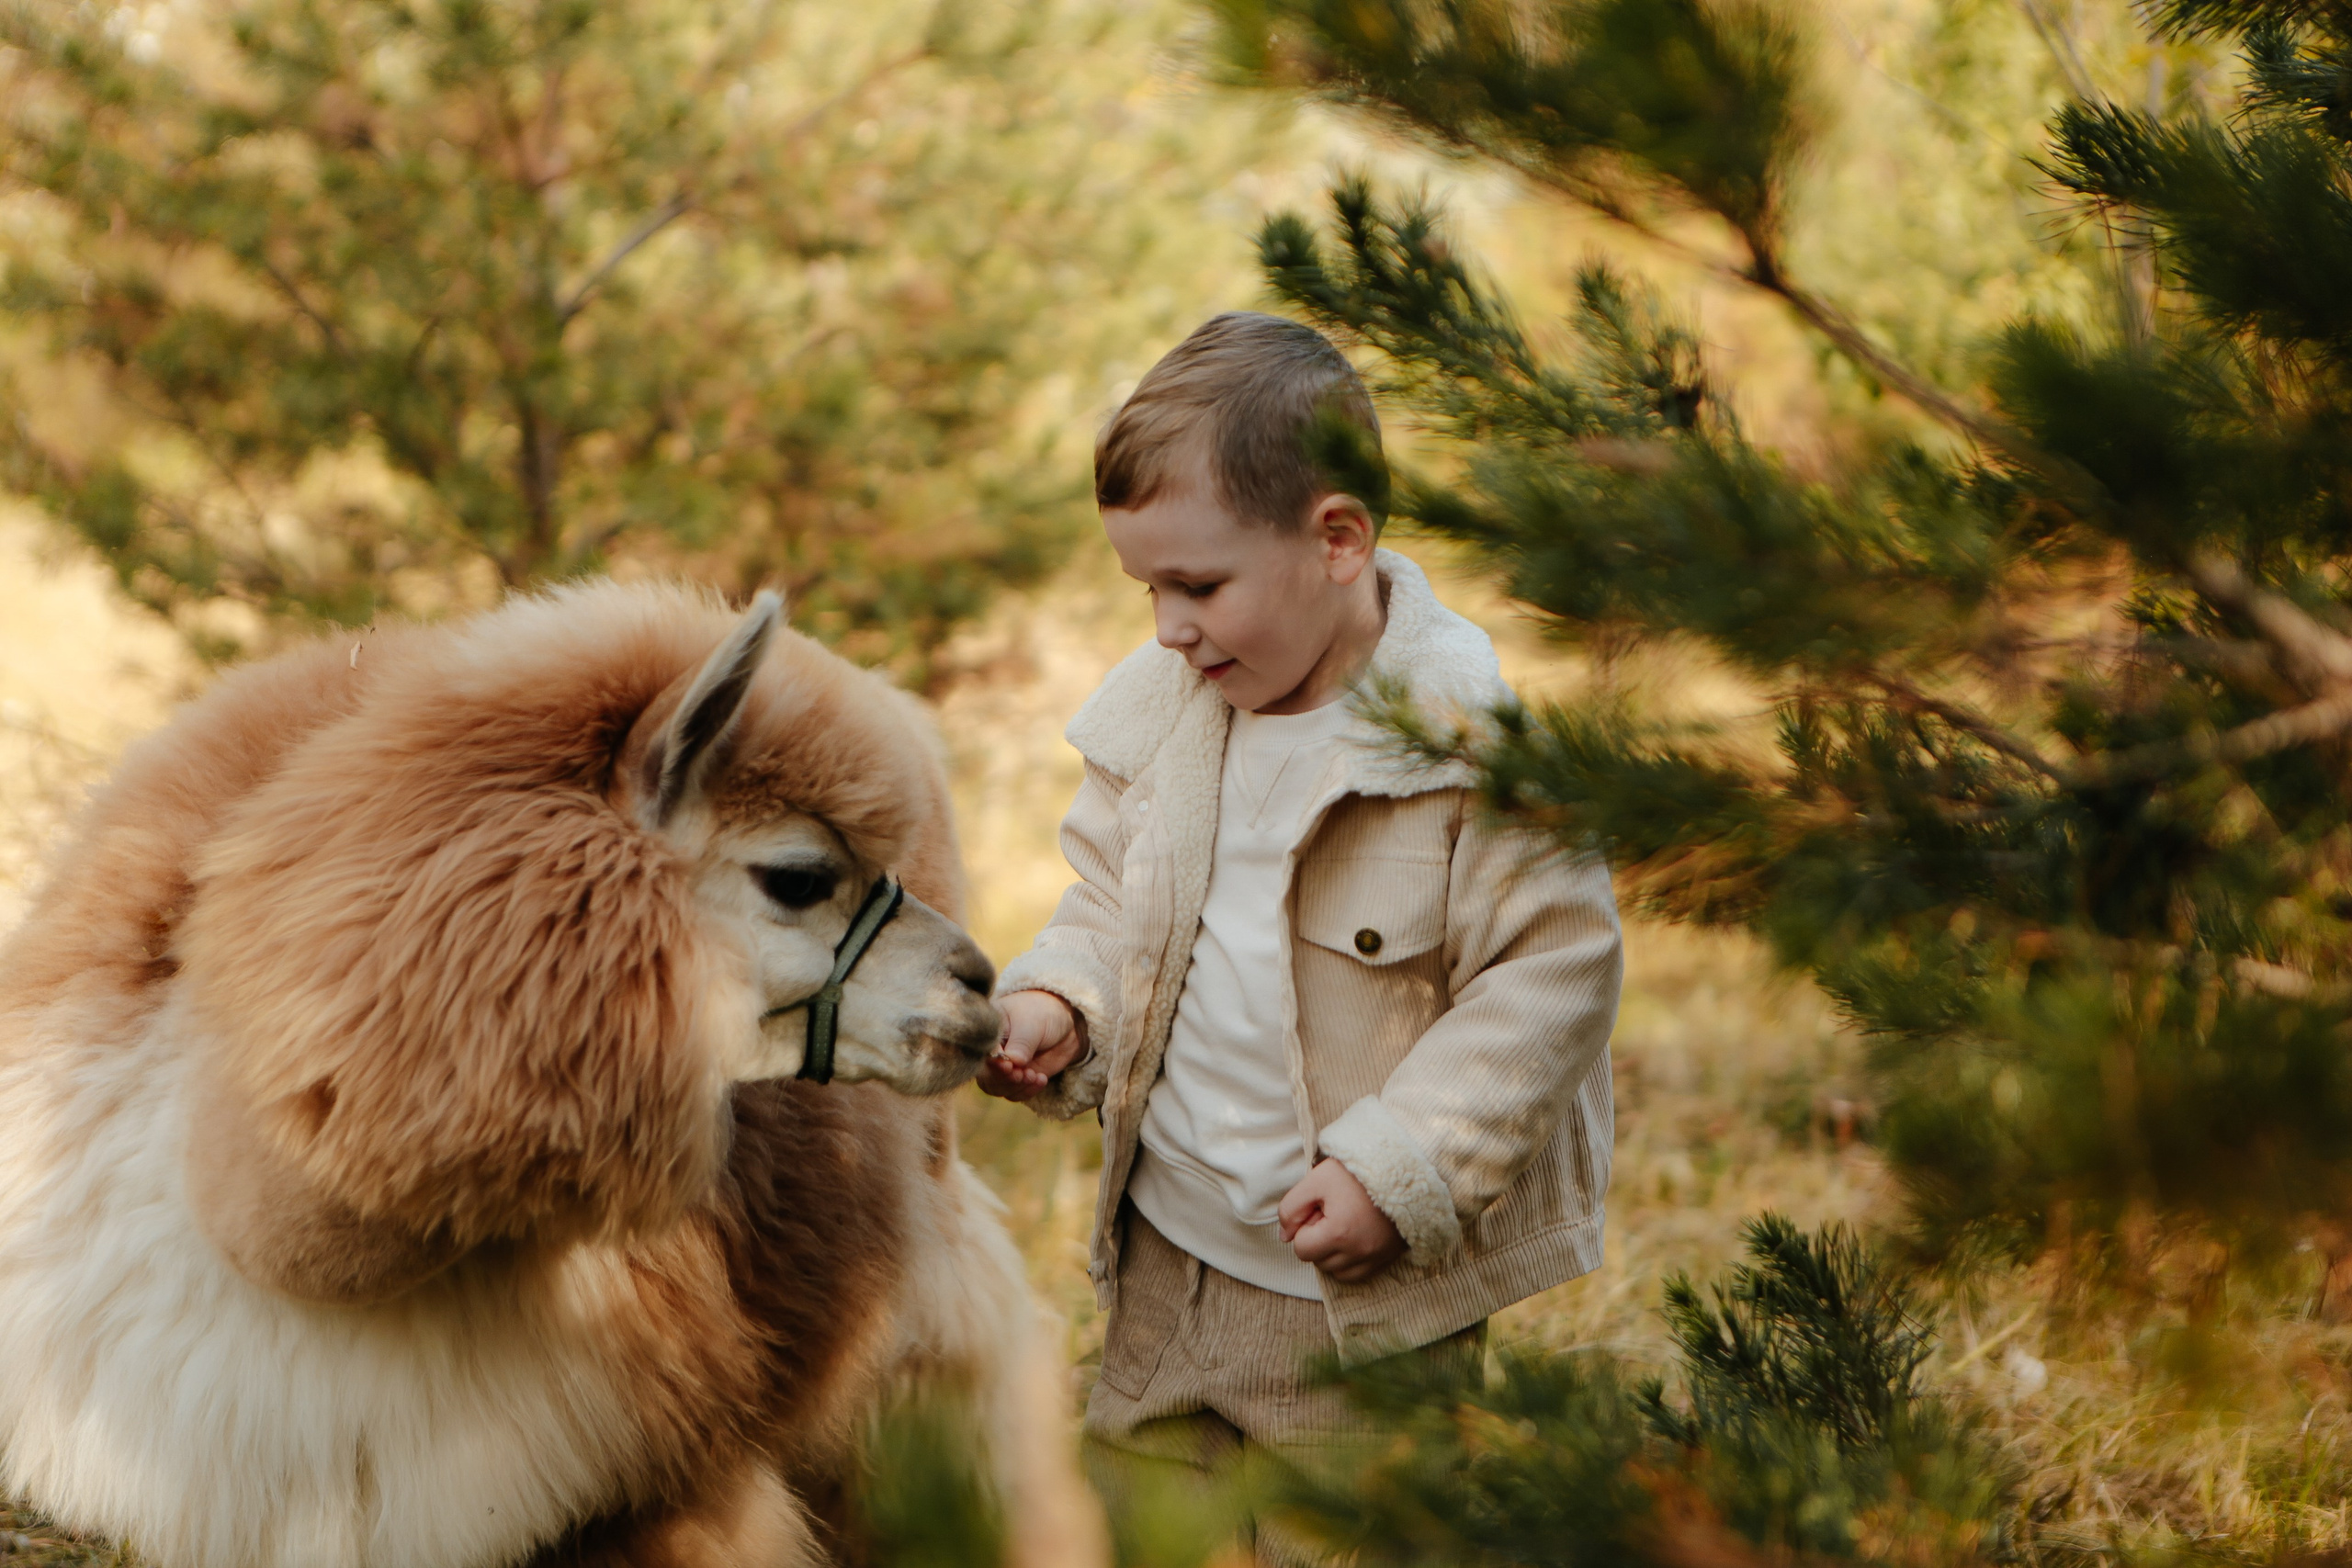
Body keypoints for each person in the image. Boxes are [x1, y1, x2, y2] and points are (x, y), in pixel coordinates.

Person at [979, 310, 1621, 1557]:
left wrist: (1403, 1167)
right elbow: (1110, 900)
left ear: (1337, 539)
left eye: (1199, 585)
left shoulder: (1463, 743)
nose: (1167, 625)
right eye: (1148, 588)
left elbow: (1549, 978)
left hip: (1359, 1307)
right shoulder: (1170, 713)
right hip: (1171, 1260)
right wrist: (1060, 1001)